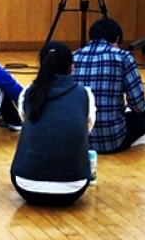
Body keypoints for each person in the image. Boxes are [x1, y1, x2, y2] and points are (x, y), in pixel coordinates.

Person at [10, 42, 95, 206]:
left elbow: (27, 123)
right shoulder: (85, 94)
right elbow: (87, 129)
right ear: (71, 68)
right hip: (73, 188)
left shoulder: (27, 93)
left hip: (26, 187)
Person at [73, 17, 145, 154]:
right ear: (117, 39)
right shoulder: (123, 57)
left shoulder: (73, 57)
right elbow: (138, 106)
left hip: (78, 140)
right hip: (112, 141)